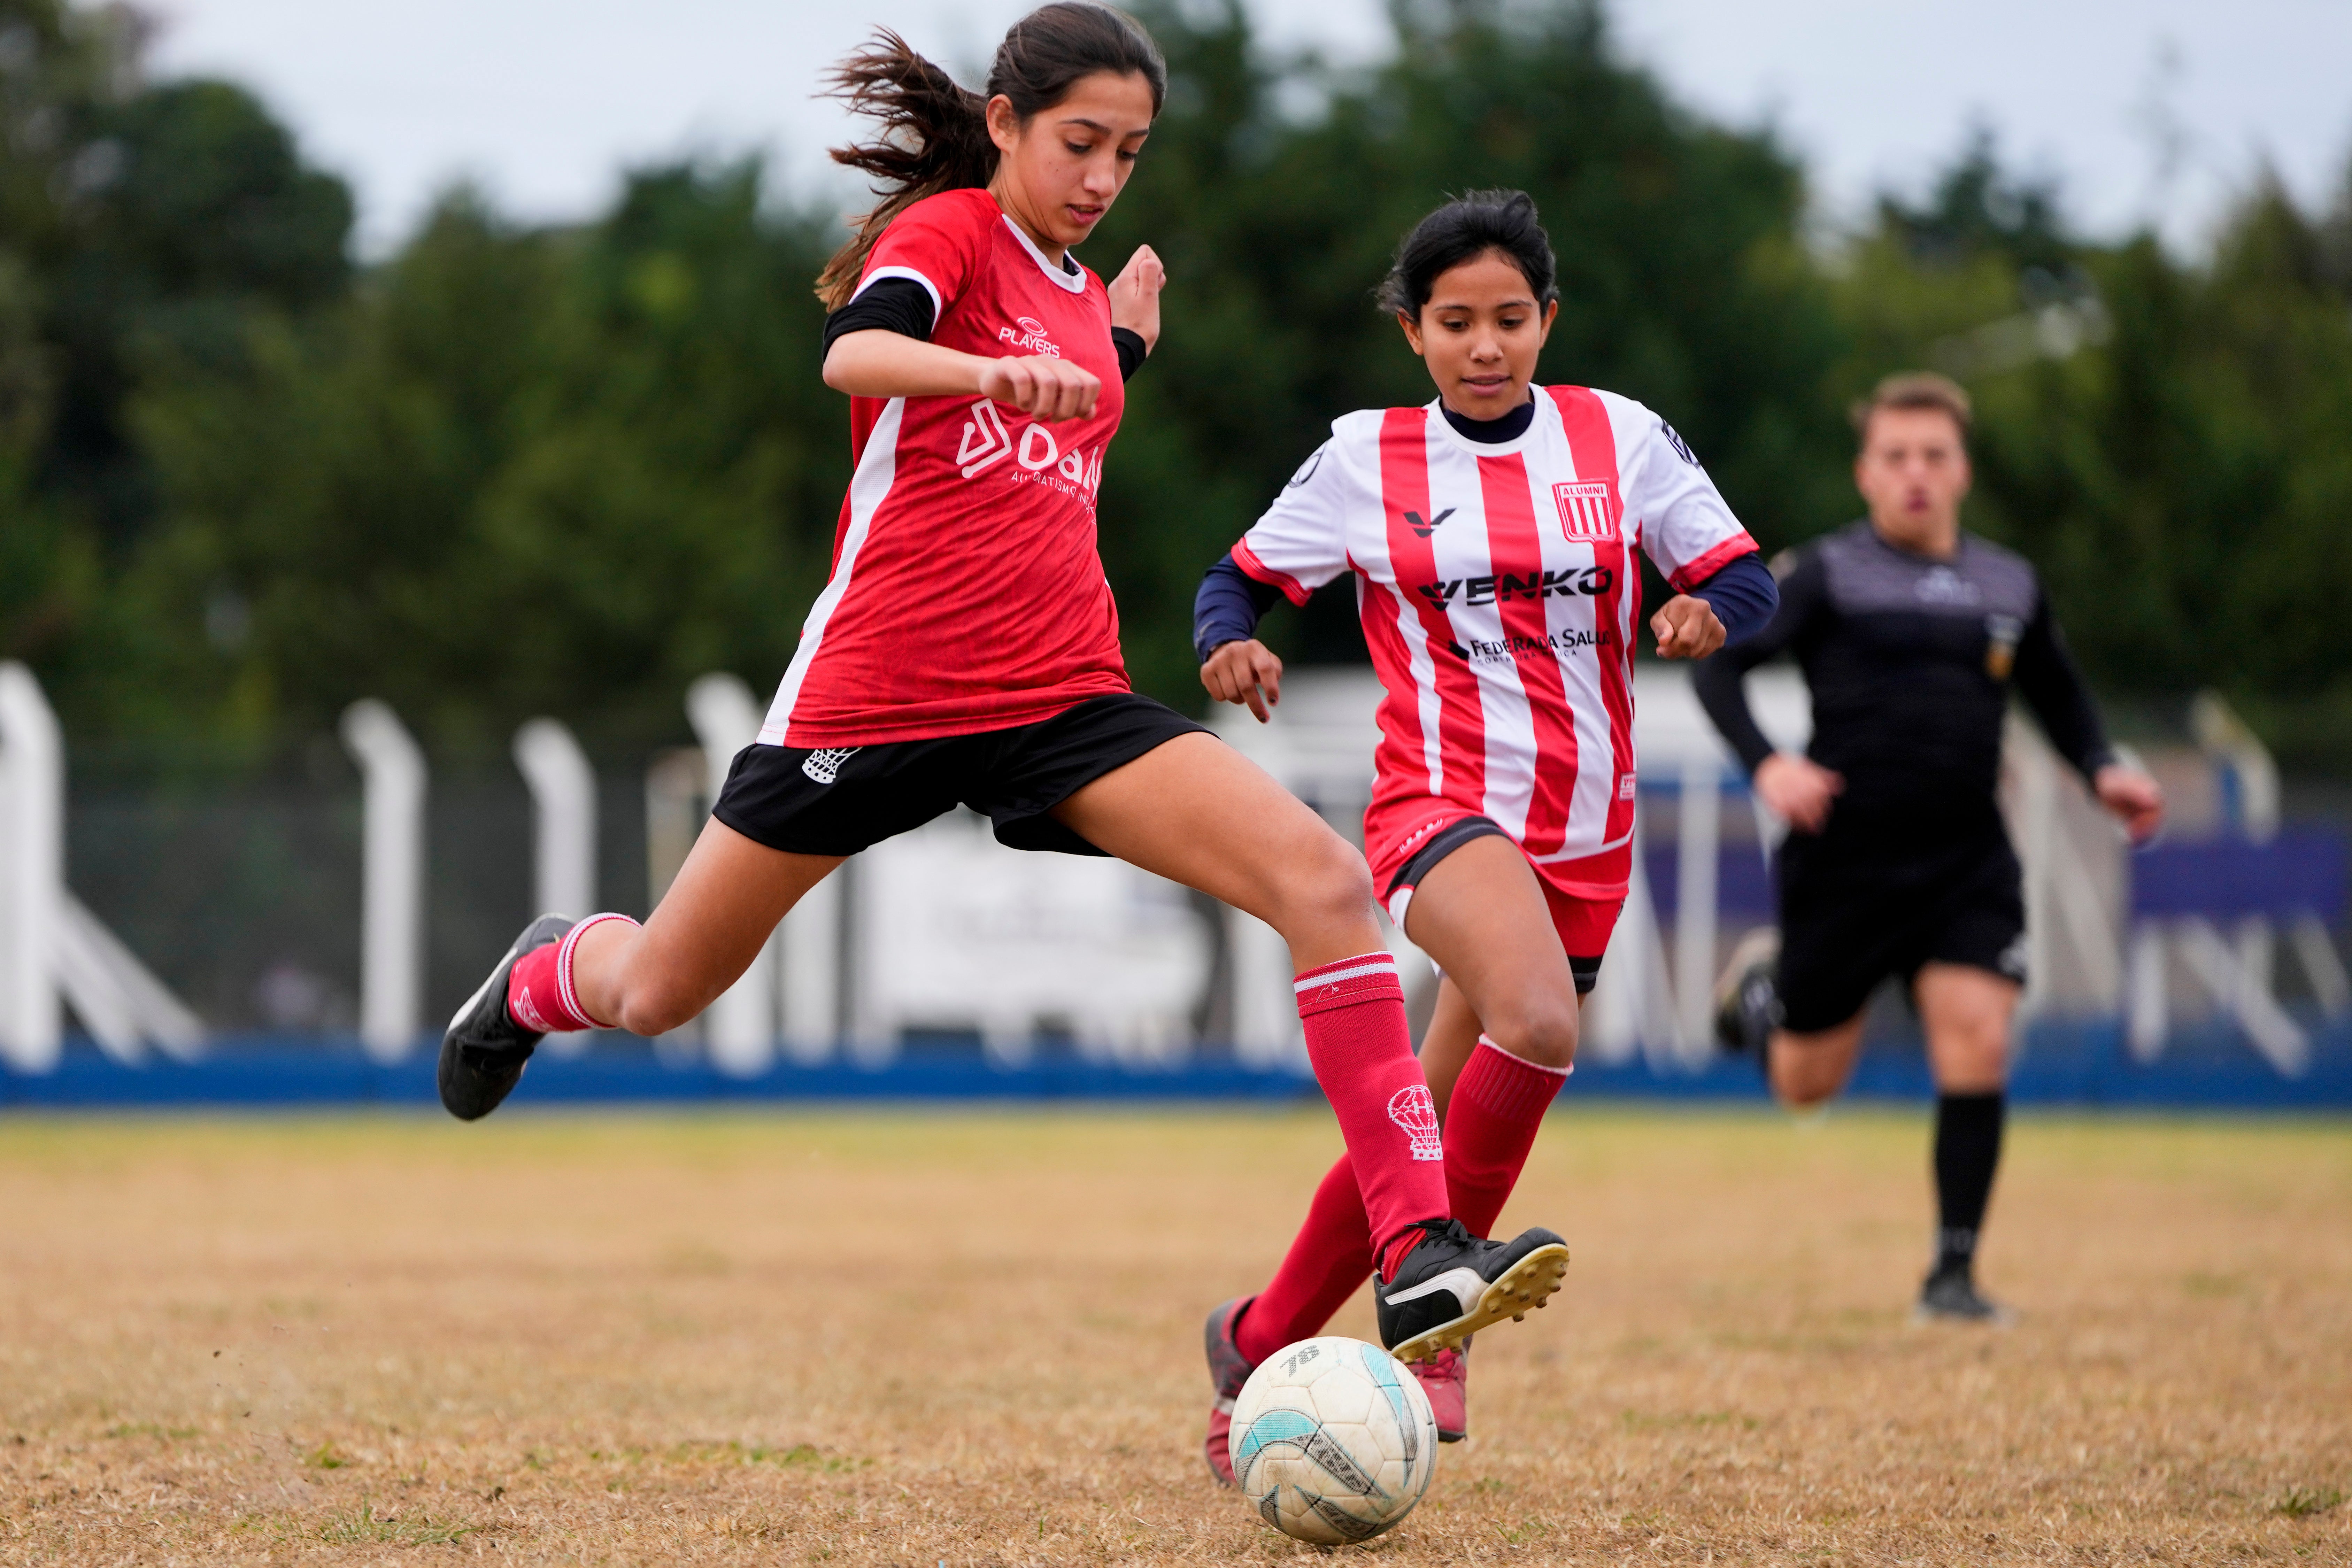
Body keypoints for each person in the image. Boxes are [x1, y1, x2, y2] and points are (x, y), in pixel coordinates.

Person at [435, 3, 1571, 1368]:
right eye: (1080, 143)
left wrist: (1120, 352)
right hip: (877, 699)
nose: (1101, 179)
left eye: (1129, 156)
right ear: (1003, 125)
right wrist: (996, 366)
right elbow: (853, 354)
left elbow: (1056, 429)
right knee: (657, 989)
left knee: (1320, 883)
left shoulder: (1084, 297)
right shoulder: (949, 236)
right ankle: (548, 970)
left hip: (1059, 699)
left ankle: (1413, 1256)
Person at [1190, 190, 1779, 1481]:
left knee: (1434, 1122)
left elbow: (1742, 570)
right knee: (1538, 1018)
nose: (1486, 346)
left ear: (1548, 320)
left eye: (1511, 319)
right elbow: (1237, 576)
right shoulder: (1365, 457)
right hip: (1438, 805)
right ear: (1414, 334)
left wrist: (1709, 618)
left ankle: (1259, 1337)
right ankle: (1436, 1323)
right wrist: (1228, 641)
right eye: (1455, 322)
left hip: (1590, 828)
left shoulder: (1616, 437)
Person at [1693, 371, 2164, 1324]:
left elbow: (2060, 694)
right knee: (1805, 1084)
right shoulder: (1827, 572)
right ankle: (1767, 993)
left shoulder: (2009, 583)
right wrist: (1769, 765)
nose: (1917, 474)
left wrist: (2102, 764)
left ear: (1963, 471)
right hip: (1845, 857)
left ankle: (1952, 1276)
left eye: (1934, 457)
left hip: (1965, 860)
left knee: (1979, 1038)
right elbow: (1722, 665)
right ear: (1867, 473)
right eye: (1897, 457)